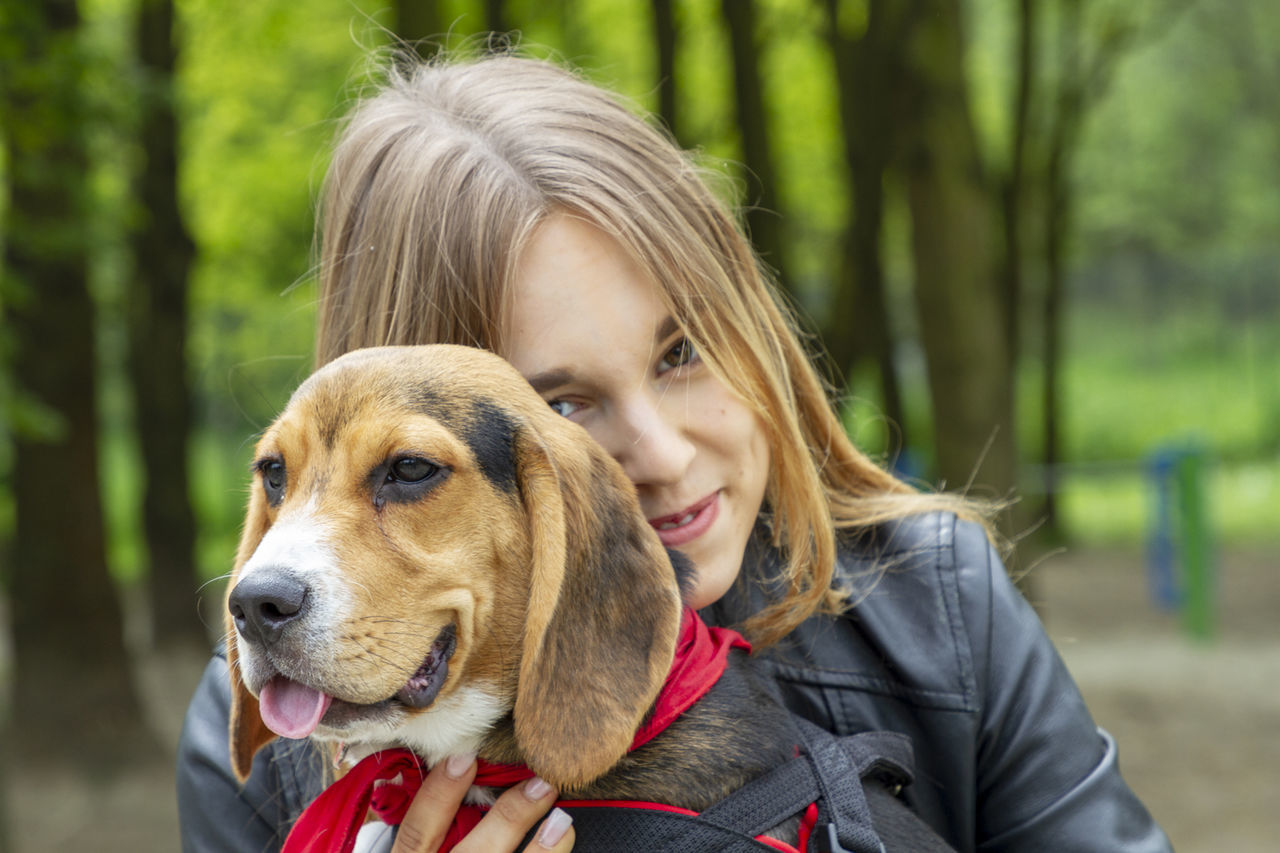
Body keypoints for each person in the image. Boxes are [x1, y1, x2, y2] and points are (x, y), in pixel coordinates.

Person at [177, 51, 1172, 853]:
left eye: (681, 350)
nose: (659, 452)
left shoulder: (933, 597)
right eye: (561, 400)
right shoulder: (272, 722)